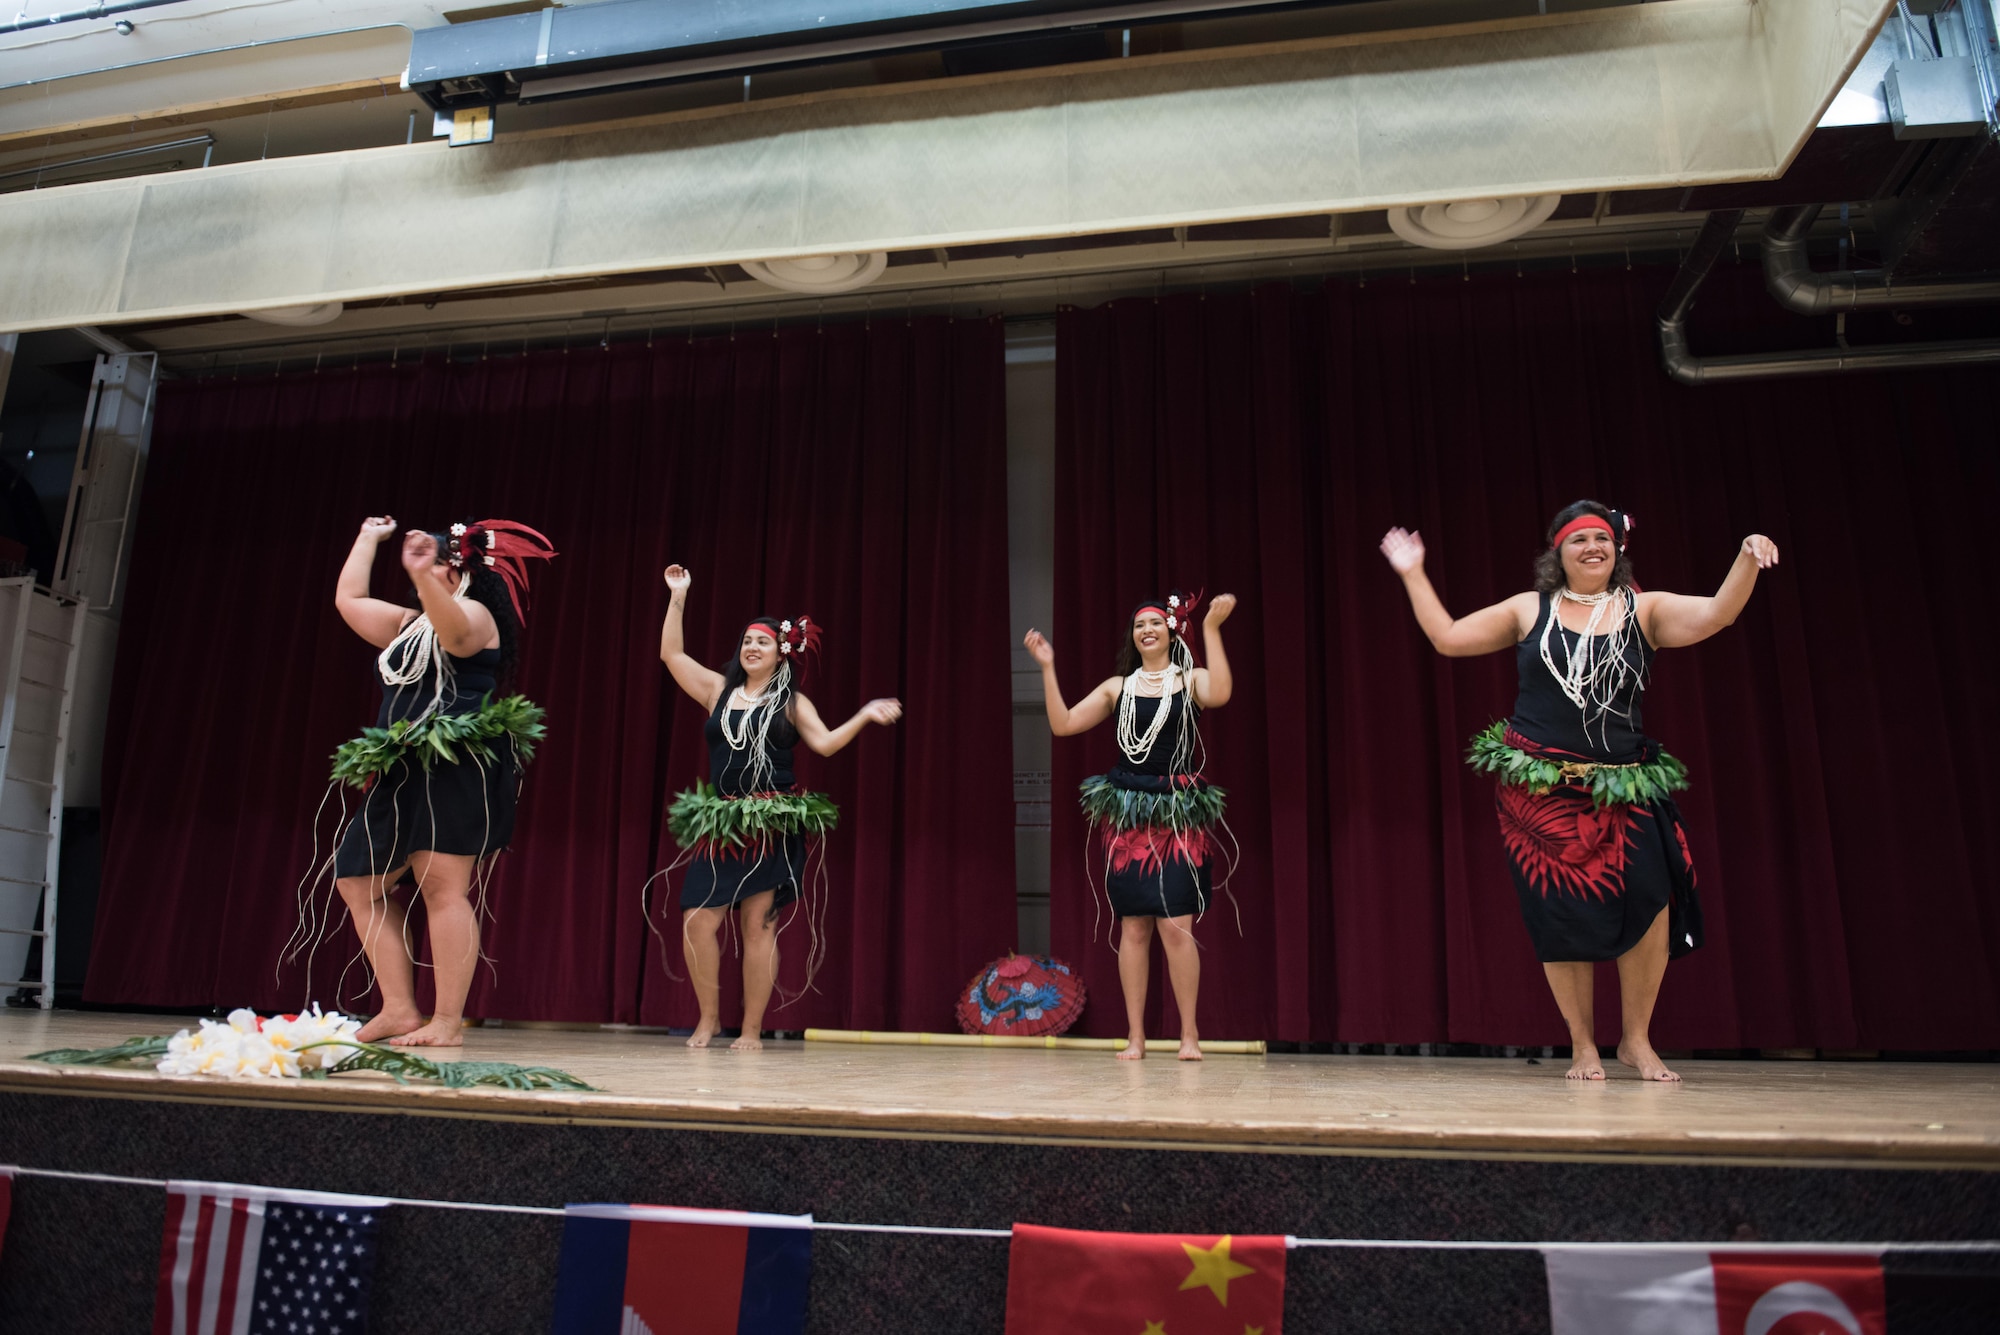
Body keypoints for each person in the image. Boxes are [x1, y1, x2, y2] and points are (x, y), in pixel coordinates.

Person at [1381, 502, 1778, 1081]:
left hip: (1624, 782)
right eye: (1579, 540)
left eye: (1602, 538)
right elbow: (1447, 639)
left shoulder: (1646, 611)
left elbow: (1719, 614)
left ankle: (1635, 1041)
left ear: (1618, 548)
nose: (1593, 547)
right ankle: (1583, 1044)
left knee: (1650, 898)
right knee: (1559, 912)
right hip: (1541, 790)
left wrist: (1746, 556)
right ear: (1557, 553)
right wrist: (1412, 570)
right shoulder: (1528, 609)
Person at [328, 515, 557, 1047]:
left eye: (433, 565)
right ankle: (401, 1008)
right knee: (359, 881)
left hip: (456, 763)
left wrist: (427, 577)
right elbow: (349, 601)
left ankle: (448, 1021)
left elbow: (455, 638)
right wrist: (367, 536)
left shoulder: (477, 615)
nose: (420, 575)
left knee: (442, 886)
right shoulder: (412, 622)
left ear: (457, 567)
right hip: (398, 765)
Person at [657, 563, 902, 1051]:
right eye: (746, 641)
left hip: (772, 823)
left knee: (756, 925)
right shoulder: (716, 691)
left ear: (781, 654)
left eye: (762, 642)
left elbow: (827, 745)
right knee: (698, 919)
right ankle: (707, 1018)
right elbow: (671, 653)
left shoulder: (793, 703)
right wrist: (679, 594)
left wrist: (863, 715)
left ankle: (750, 1030)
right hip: (722, 821)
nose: (751, 647)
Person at [1023, 590, 1237, 1061]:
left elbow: (1221, 692)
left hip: (1177, 816)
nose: (1146, 630)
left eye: (1156, 623)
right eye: (1139, 625)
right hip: (1130, 820)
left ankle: (1189, 1036)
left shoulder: (1191, 680)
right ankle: (1136, 1036)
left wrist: (1213, 630)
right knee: (1135, 927)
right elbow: (1062, 725)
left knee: (1177, 926)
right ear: (1133, 638)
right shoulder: (1117, 688)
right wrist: (1047, 667)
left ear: (1171, 631)